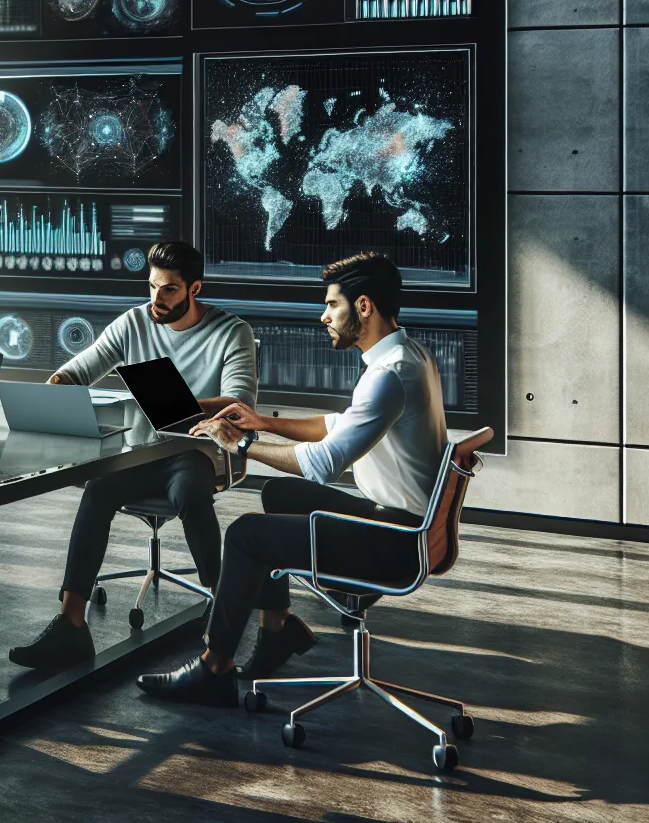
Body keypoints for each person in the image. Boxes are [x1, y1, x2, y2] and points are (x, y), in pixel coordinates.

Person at [135, 251, 448, 706]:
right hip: (404, 524)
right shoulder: (407, 356)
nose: (324, 317)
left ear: (363, 307)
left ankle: (213, 668)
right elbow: (339, 425)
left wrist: (237, 443)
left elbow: (323, 463)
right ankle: (277, 629)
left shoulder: (389, 375)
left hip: (394, 540)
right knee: (281, 493)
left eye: (332, 306)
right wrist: (263, 423)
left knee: (245, 536)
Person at [9, 241, 256, 671]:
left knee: (191, 493)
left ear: (194, 287)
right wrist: (61, 382)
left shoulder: (232, 332)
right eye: (152, 287)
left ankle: (221, 611)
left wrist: (177, 403)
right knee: (99, 488)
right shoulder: (134, 322)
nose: (156, 300)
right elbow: (83, 367)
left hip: (196, 450)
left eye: (169, 291)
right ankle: (71, 625)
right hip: (143, 450)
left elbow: (240, 405)